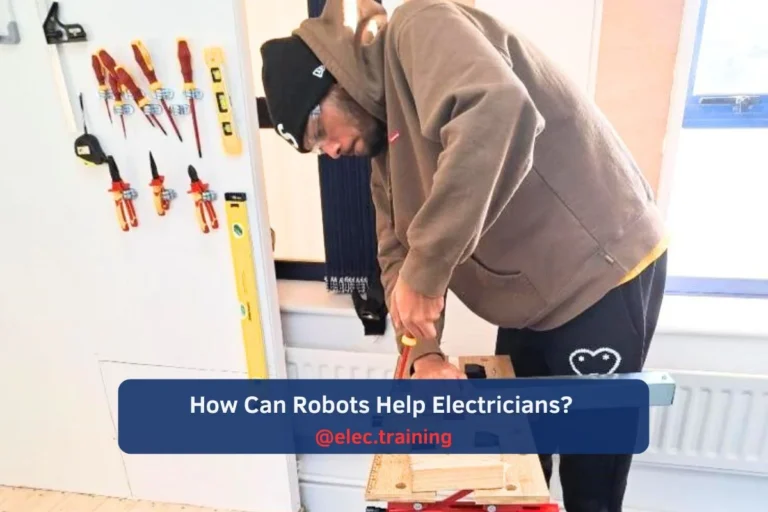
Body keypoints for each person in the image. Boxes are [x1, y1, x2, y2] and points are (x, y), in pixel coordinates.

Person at [259, 0, 668, 510]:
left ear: (334, 79)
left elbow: (497, 111)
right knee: (523, 460)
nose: (331, 151)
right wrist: (425, 354)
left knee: (591, 482)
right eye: (316, 149)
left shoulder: (418, 26)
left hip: (599, 273)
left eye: (320, 133)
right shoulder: (384, 151)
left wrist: (427, 273)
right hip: (532, 300)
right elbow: (396, 254)